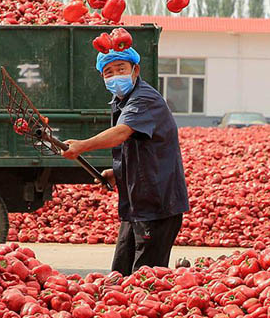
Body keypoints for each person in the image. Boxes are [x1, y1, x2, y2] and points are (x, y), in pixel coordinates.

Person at [62, 47, 190, 275]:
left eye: (121, 69)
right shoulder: (121, 101)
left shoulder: (144, 98)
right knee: (120, 273)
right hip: (137, 204)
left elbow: (122, 133)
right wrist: (118, 172)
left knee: (145, 279)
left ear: (135, 69)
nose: (115, 76)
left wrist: (82, 145)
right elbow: (137, 146)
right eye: (108, 72)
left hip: (156, 205)